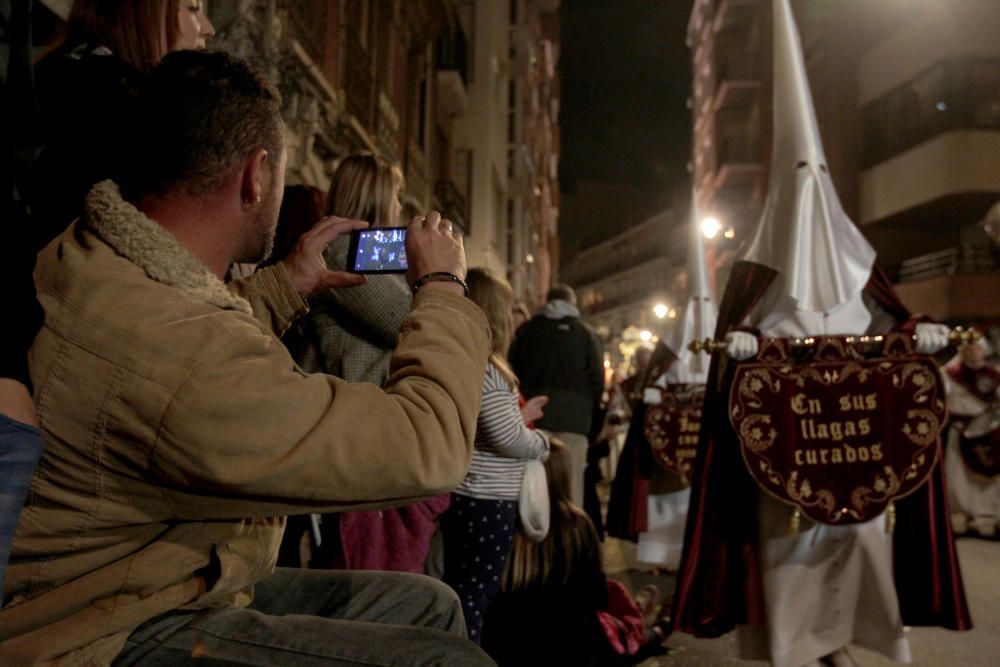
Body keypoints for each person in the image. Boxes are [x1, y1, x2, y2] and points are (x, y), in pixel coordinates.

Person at [0, 51, 493, 666]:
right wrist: (444, 285)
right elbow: (429, 446)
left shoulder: (94, 257)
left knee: (429, 604)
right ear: (257, 176)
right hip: (105, 626)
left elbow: (186, 348)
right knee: (453, 660)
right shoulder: (178, 353)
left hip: (151, 575)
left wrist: (283, 284)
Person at [672, 3, 970, 667]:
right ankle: (794, 647)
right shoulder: (755, 280)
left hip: (862, 448)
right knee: (791, 555)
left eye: (818, 182)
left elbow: (895, 327)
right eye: (797, 181)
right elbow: (731, 364)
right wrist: (744, 351)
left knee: (860, 546)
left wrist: (923, 336)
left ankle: (844, 641)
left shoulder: (860, 269)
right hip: (788, 455)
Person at [279, 153, 450, 573]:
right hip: (342, 422)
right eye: (394, 195)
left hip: (351, 418)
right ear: (374, 197)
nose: (399, 207)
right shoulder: (341, 251)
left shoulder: (369, 254)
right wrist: (438, 276)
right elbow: (404, 320)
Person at [481, 439, 667, 666]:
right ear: (563, 476)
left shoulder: (502, 518)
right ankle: (656, 627)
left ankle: (641, 612)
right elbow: (596, 595)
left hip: (504, 646)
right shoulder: (575, 524)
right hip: (570, 646)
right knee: (618, 636)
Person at [441, 267, 550, 643]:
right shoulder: (490, 369)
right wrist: (542, 444)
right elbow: (506, 439)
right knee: (475, 593)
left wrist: (518, 417)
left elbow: (486, 424)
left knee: (460, 586)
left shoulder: (463, 362)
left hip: (467, 492)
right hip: (488, 497)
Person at [510, 284, 604, 506]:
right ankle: (568, 537)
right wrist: (591, 419)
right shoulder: (586, 334)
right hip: (574, 421)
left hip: (534, 418)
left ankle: (535, 539)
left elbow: (512, 371)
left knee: (534, 486)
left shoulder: (527, 331)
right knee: (571, 489)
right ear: (572, 303)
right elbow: (597, 380)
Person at [942, 338, 1000, 537]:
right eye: (970, 348)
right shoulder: (950, 373)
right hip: (961, 431)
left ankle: (987, 515)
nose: (974, 352)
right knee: (959, 476)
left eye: (977, 348)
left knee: (987, 476)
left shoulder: (994, 374)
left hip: (987, 431)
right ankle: (961, 514)